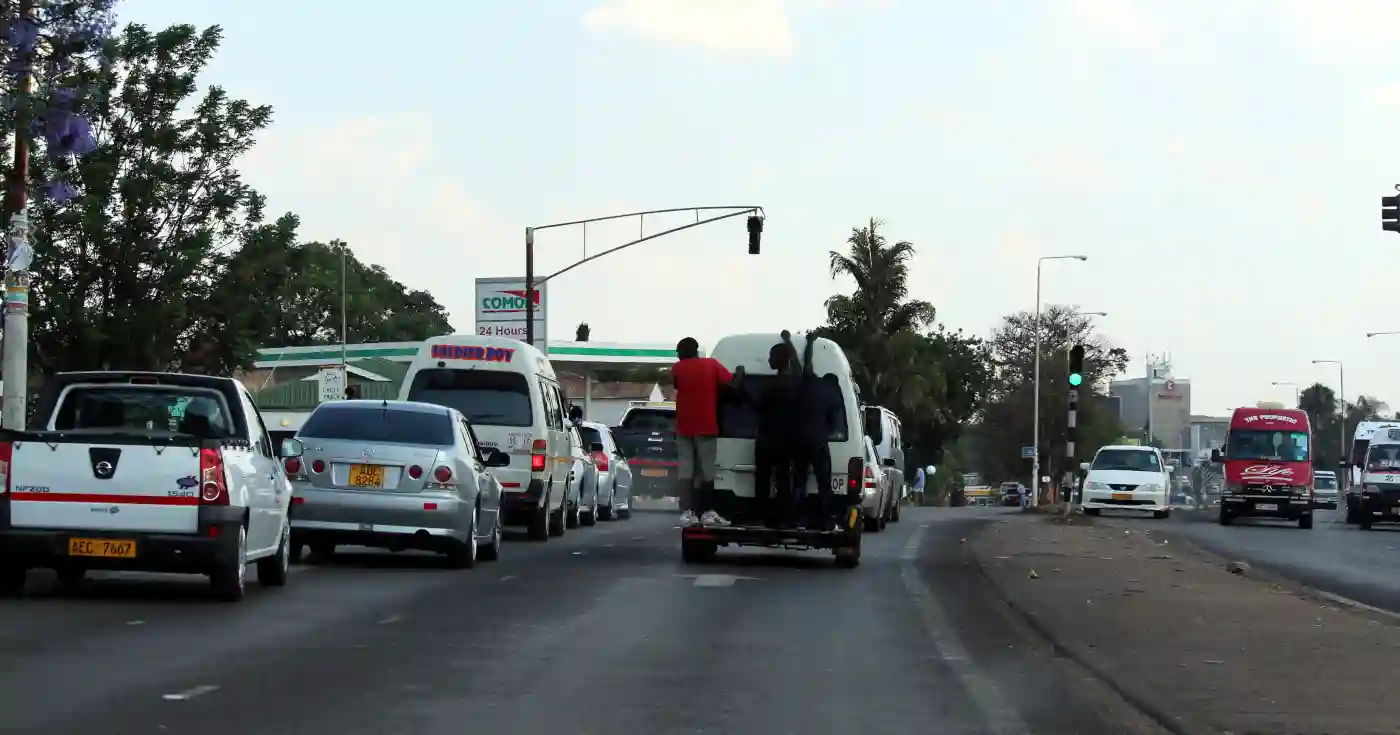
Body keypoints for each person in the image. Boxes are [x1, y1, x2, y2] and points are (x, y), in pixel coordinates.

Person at [733, 335, 801, 528]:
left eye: (772, 357)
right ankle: (784, 518)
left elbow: (758, 406)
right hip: (788, 440)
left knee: (762, 480)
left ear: (779, 360)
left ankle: (763, 515)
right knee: (783, 480)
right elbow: (795, 360)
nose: (769, 360)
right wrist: (788, 340)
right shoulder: (795, 380)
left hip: (767, 439)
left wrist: (742, 382)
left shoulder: (773, 385)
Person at [670, 336, 733, 527]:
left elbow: (676, 384)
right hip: (706, 425)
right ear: (696, 350)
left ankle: (687, 512)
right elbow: (730, 383)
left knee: (686, 470)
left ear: (682, 353)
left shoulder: (677, 369)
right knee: (707, 472)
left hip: (684, 426)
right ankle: (707, 512)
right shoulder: (712, 365)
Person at [790, 332, 838, 530]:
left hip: (799, 439)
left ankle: (797, 519)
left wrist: (808, 342)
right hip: (818, 442)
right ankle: (825, 519)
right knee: (824, 483)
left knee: (799, 480)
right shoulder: (832, 395)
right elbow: (833, 425)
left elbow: (801, 361)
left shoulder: (809, 381)